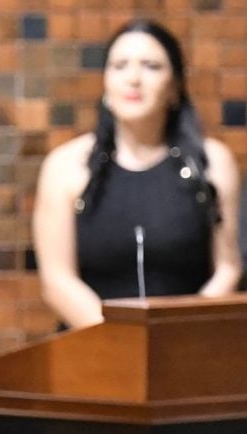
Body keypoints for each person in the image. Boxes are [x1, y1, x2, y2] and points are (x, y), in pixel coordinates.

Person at [33, 19, 241, 329]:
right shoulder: (65, 166)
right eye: (119, 66)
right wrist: (122, 343)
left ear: (175, 87)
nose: (133, 78)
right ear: (105, 82)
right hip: (93, 352)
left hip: (186, 350)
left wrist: (177, 337)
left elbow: (228, 268)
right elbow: (57, 280)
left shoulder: (212, 162)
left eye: (151, 66)